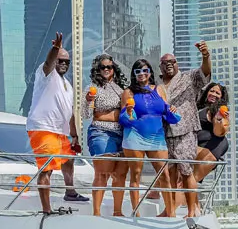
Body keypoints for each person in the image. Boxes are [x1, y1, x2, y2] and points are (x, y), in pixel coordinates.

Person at [27, 32, 86, 214]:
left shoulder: (67, 84)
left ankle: (70, 192)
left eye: (66, 61)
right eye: (60, 60)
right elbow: (48, 63)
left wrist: (74, 135)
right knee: (47, 169)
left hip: (60, 131)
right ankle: (46, 210)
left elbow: (69, 112)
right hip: (43, 127)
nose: (63, 64)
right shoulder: (46, 75)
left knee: (68, 159)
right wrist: (55, 49)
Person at [120, 59, 181, 217]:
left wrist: (172, 110)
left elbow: (168, 113)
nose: (142, 74)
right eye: (138, 71)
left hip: (157, 138)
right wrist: (128, 112)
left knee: (164, 174)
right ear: (134, 74)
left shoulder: (159, 89)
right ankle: (136, 213)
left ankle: (171, 213)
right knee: (136, 174)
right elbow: (124, 119)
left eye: (145, 71)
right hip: (134, 137)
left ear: (150, 73)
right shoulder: (128, 92)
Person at [157, 42, 212, 217]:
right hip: (165, 133)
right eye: (165, 63)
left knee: (187, 170)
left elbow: (205, 72)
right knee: (170, 172)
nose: (169, 65)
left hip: (186, 131)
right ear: (161, 67)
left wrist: (205, 56)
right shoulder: (158, 87)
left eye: (172, 62)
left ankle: (191, 211)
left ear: (177, 63)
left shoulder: (189, 78)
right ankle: (170, 210)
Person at [83, 53, 129, 216]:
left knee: (120, 175)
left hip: (122, 135)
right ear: (98, 69)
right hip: (101, 132)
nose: (106, 70)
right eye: (103, 67)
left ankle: (118, 211)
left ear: (114, 69)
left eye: (109, 66)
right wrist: (89, 101)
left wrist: (105, 114)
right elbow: (87, 114)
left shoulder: (122, 88)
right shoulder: (92, 88)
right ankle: (96, 212)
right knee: (102, 173)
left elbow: (126, 112)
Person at [195, 82, 230, 185]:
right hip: (199, 145)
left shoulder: (218, 110)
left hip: (212, 146)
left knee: (191, 180)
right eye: (211, 91)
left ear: (222, 97)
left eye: (217, 93)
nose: (214, 94)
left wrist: (220, 120)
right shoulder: (199, 106)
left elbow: (219, 132)